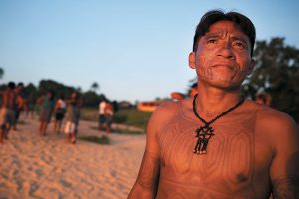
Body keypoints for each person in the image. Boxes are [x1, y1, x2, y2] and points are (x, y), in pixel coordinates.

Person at [128, 10, 299, 199]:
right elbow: (143, 189)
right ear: (192, 59)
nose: (226, 51)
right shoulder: (164, 115)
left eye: (239, 44)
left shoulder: (278, 128)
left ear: (251, 66)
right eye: (212, 41)